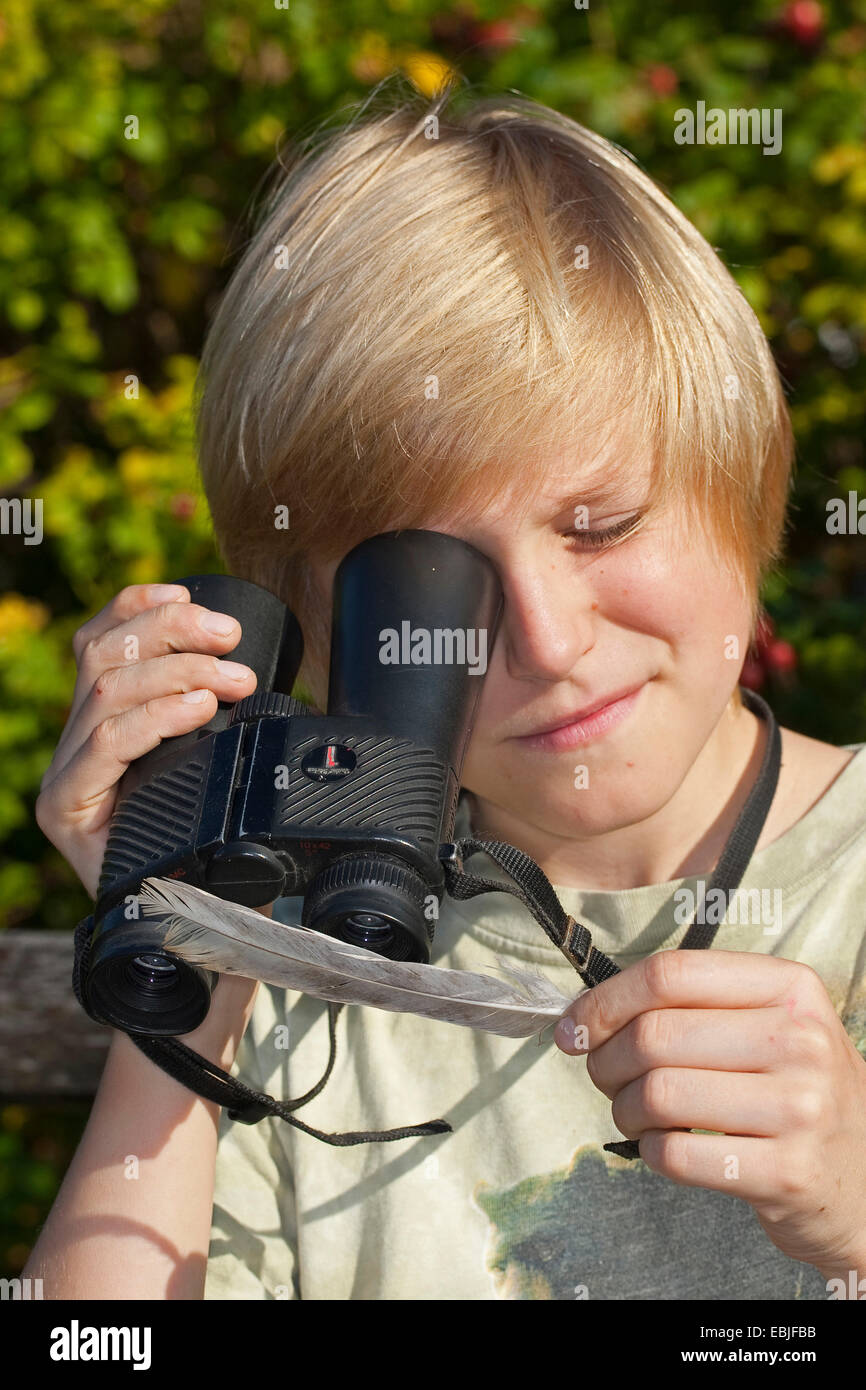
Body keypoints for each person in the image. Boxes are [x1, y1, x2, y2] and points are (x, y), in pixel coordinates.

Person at [26, 83, 866, 1301]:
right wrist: (180, 942)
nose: (547, 636)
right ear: (315, 627)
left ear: (737, 478)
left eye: (600, 523)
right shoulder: (310, 952)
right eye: (435, 589)